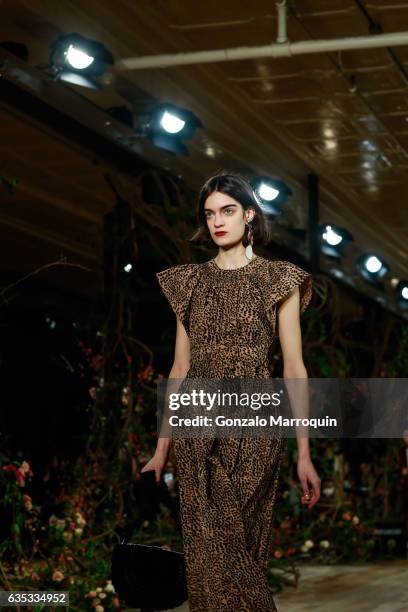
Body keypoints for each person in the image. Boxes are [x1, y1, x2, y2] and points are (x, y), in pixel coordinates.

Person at [142, 171, 321, 611]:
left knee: (238, 553)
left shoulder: (279, 280)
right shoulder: (189, 283)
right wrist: (161, 450)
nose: (218, 222)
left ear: (250, 216)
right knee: (207, 563)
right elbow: (180, 369)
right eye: (210, 214)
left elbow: (294, 368)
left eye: (227, 211)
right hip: (197, 432)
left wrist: (304, 452)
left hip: (256, 432)